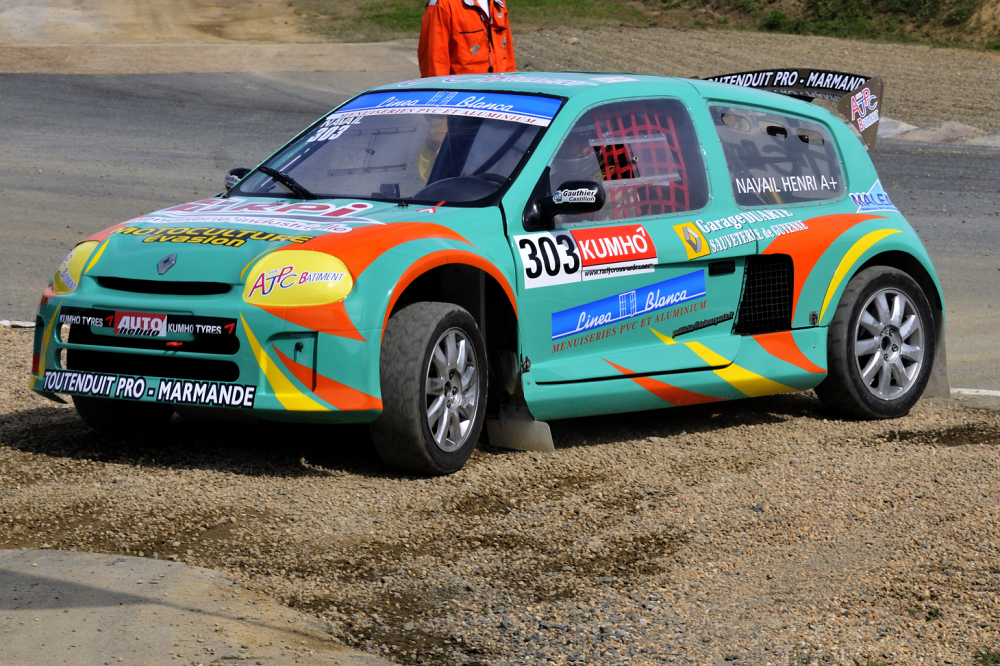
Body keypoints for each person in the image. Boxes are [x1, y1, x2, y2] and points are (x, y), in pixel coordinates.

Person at [418, 0, 516, 78]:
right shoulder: (441, 5)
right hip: (463, 98)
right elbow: (434, 68)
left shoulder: (498, 2)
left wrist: (511, 87)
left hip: (497, 95)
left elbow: (507, 58)